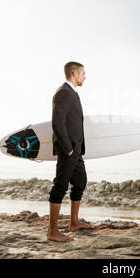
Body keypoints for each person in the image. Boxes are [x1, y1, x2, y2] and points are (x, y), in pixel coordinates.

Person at [47, 61, 95, 242]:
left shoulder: (72, 93)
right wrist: (67, 149)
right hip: (68, 149)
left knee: (80, 182)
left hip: (76, 149)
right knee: (60, 185)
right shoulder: (63, 93)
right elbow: (57, 122)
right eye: (83, 73)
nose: (85, 76)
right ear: (74, 74)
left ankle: (73, 223)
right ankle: (52, 231)